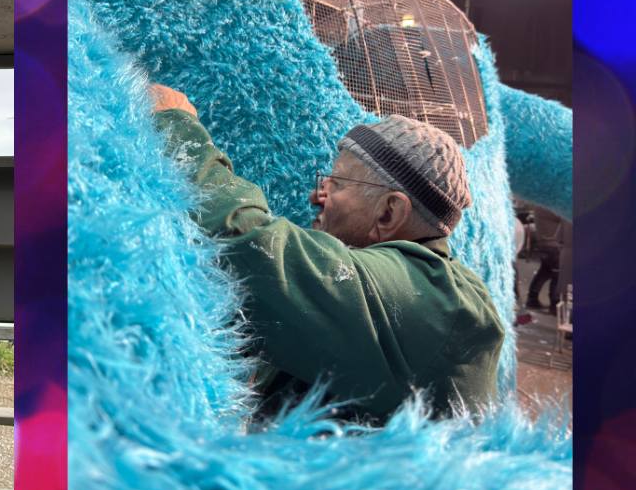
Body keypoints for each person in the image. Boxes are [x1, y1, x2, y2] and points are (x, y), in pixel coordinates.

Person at [149, 85, 505, 423]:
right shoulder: (396, 303)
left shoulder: (436, 303)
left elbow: (250, 247)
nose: (317, 196)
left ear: (388, 213)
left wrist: (177, 128)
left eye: (337, 184)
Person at [525, 206, 563, 312]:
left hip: (543, 242)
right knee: (557, 274)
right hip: (554, 244)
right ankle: (554, 304)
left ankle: (532, 298)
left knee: (544, 271)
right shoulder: (552, 207)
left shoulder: (540, 205)